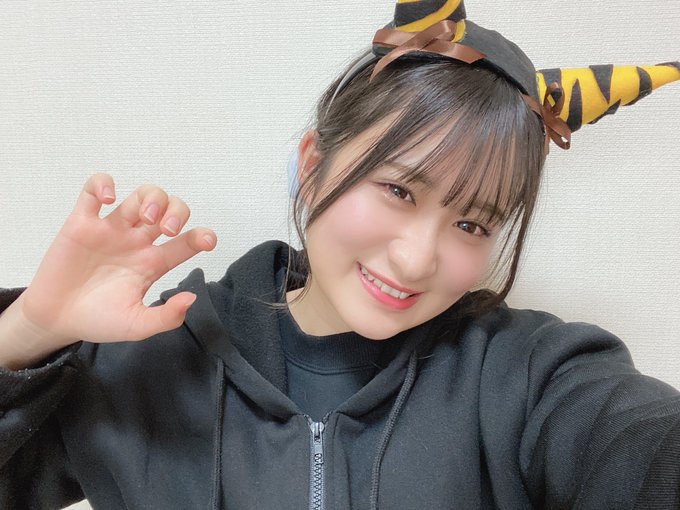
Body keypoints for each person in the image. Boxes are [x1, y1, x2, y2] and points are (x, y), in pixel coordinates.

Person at [1, 1, 679, 509]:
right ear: (313, 164)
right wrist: (28, 332)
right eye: (398, 190)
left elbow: (643, 447)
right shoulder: (148, 361)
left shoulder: (531, 377)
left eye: (472, 224)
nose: (416, 260)